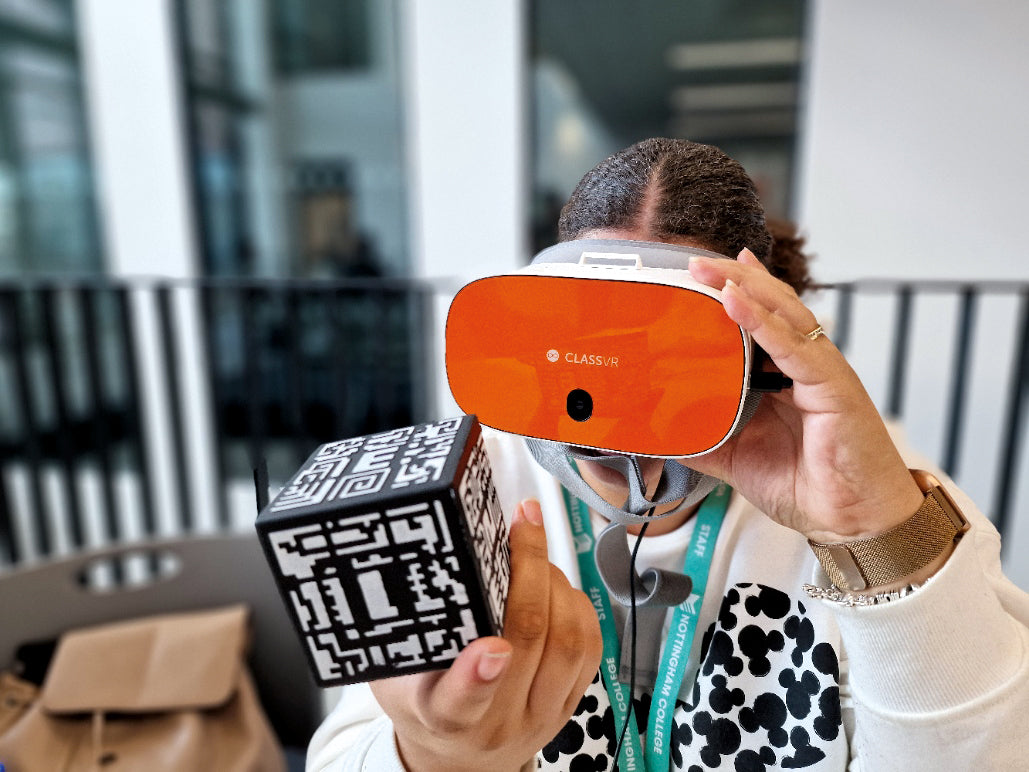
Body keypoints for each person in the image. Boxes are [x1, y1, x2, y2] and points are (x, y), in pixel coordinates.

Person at [306, 138, 1029, 771]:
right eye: (594, 345)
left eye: (667, 358)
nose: (620, 433)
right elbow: (342, 752)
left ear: (754, 359)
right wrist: (432, 755)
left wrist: (877, 537)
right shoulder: (469, 485)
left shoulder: (863, 479)